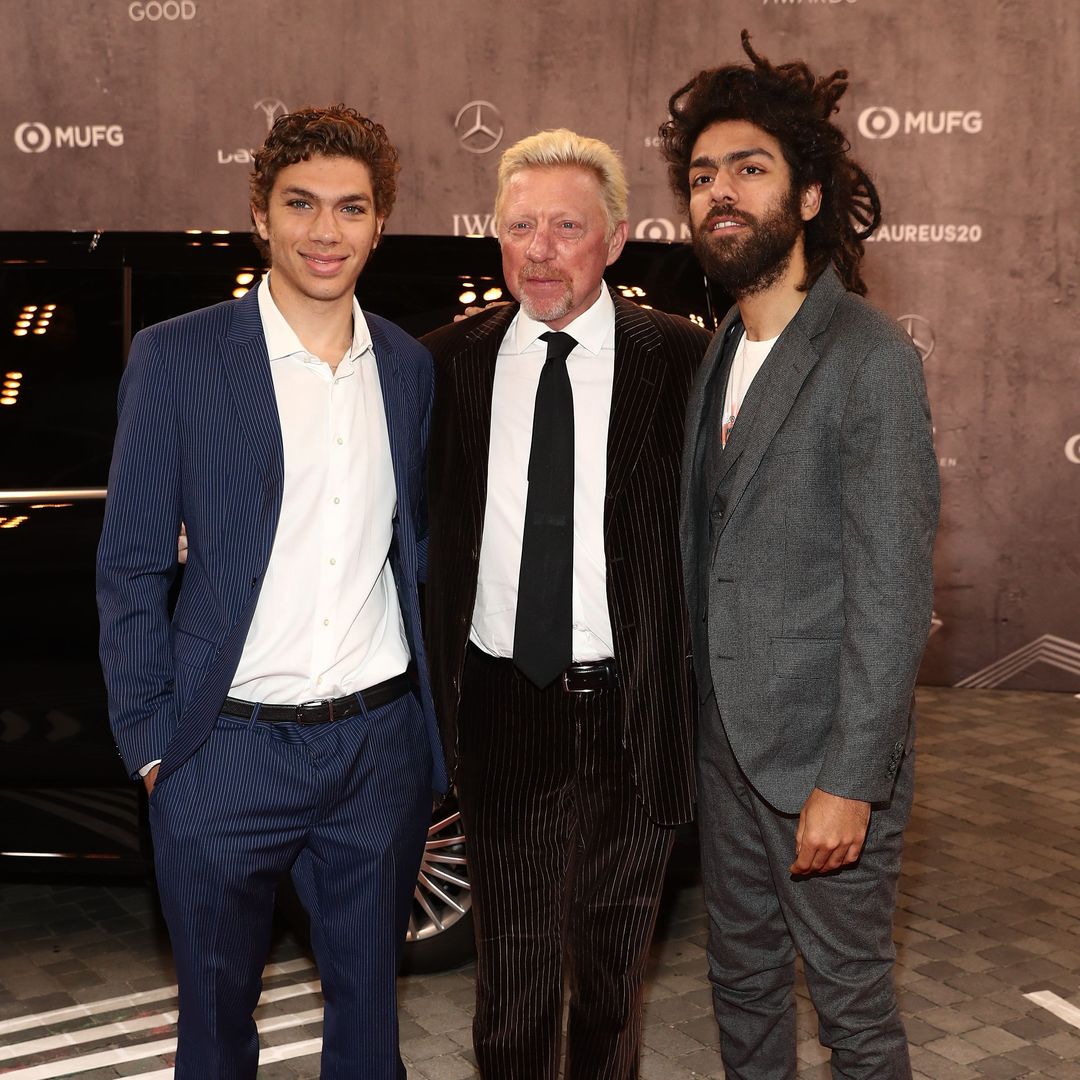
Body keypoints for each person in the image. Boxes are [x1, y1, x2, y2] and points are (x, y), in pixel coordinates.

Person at [96, 105, 445, 1080]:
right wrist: (154, 745)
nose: (325, 231)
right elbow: (129, 562)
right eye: (300, 204)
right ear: (260, 214)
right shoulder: (178, 357)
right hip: (223, 751)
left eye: (351, 207)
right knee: (214, 1032)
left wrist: (422, 742)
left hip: (375, 750)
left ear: (380, 223)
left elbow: (414, 550)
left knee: (370, 1030)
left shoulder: (409, 369)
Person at [659, 32, 939, 1079]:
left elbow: (891, 592)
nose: (720, 193)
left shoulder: (869, 357)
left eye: (749, 169)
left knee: (852, 1012)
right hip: (725, 752)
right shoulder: (721, 350)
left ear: (809, 197)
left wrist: (851, 782)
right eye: (702, 177)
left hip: (820, 765)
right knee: (740, 987)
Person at [423, 129, 711, 1078]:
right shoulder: (446, 364)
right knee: (511, 984)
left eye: (566, 227)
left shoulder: (686, 361)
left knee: (613, 983)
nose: (539, 250)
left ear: (616, 239)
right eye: (520, 227)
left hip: (636, 707)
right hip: (502, 705)